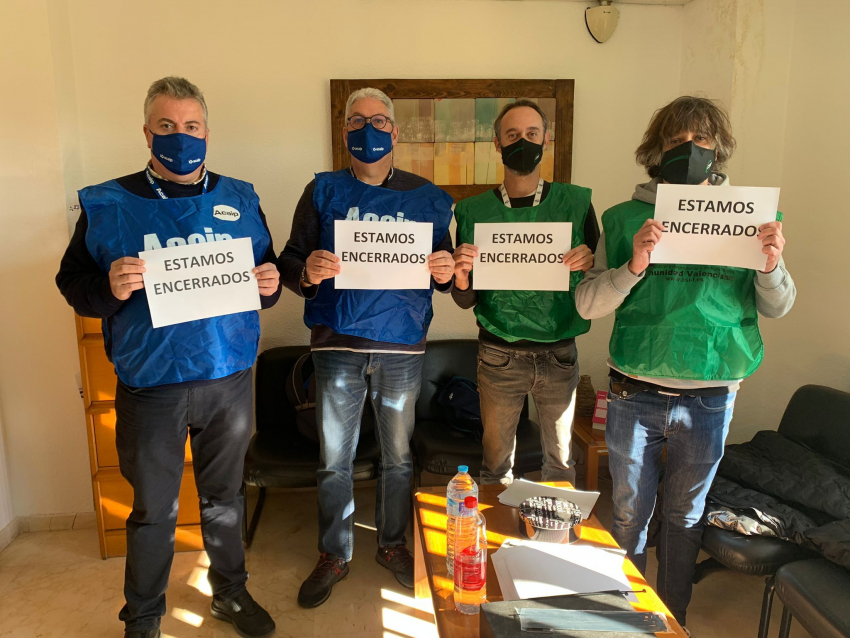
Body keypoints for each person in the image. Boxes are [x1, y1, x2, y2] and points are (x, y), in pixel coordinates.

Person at [56, 77, 278, 638]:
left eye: (191, 126)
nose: (181, 136)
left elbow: (263, 276)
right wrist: (108, 287)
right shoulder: (109, 204)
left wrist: (271, 285)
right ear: (147, 133)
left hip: (227, 378)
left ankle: (229, 593)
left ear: (207, 132)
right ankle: (144, 616)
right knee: (154, 510)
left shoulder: (240, 198)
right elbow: (73, 285)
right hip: (151, 384)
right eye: (167, 126)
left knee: (224, 498)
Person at [575, 96, 795, 629]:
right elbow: (587, 304)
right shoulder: (624, 218)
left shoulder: (751, 219)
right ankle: (622, 617)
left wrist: (771, 265)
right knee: (629, 513)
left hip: (711, 395)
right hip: (635, 391)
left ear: (718, 149)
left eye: (702, 140)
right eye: (677, 140)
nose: (690, 149)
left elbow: (779, 306)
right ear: (656, 150)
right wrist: (634, 265)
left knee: (684, 516)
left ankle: (671, 620)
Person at [278, 88, 455, 608]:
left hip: (403, 347)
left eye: (378, 120)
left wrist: (446, 270)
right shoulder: (322, 190)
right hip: (337, 344)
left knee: (399, 458)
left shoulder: (427, 197)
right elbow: (289, 261)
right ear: (344, 132)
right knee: (334, 459)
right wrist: (307, 271)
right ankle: (334, 553)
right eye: (357, 120)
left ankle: (392, 543)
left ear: (395, 132)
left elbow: (445, 273)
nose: (368, 129)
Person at [451, 99, 598, 486]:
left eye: (532, 133)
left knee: (561, 465)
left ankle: (554, 526)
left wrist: (591, 261)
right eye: (513, 134)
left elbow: (599, 286)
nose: (523, 141)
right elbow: (466, 299)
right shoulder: (472, 212)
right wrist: (462, 277)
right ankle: (493, 527)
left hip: (559, 353)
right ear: (497, 143)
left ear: (546, 140)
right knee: (495, 468)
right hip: (499, 354)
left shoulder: (576, 204)